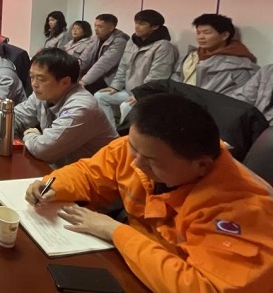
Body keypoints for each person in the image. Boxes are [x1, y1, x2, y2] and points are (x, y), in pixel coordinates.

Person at [25, 93, 273, 292]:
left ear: (201, 166)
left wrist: (115, 232)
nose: (136, 163)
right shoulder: (144, 147)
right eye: (133, 149)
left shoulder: (243, 210)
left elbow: (202, 286)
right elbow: (91, 173)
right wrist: (53, 185)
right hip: (136, 268)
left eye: (152, 162)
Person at [0, 48, 117, 168]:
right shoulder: (44, 94)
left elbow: (43, 150)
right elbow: (20, 115)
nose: (34, 84)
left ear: (65, 82)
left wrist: (29, 134)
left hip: (97, 180)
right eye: (32, 77)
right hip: (63, 169)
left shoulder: (81, 108)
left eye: (41, 79)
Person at [94, 9, 178, 129]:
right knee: (99, 96)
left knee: (126, 106)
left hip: (149, 94)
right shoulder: (132, 42)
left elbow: (158, 76)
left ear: (155, 27)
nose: (137, 26)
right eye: (136, 23)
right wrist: (115, 86)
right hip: (130, 91)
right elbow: (123, 66)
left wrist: (140, 94)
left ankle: (126, 135)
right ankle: (112, 132)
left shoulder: (163, 46)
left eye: (142, 24)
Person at [172, 13, 258, 96]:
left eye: (206, 32)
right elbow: (176, 76)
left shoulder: (239, 65)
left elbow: (245, 95)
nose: (200, 37)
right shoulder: (192, 56)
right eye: (198, 33)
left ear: (224, 35)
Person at [79, 13, 130, 93]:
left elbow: (103, 64)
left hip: (109, 78)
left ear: (111, 28)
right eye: (95, 25)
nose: (96, 29)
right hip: (94, 75)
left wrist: (84, 81)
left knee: (83, 90)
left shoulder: (120, 41)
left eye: (100, 26)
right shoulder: (96, 38)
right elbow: (85, 57)